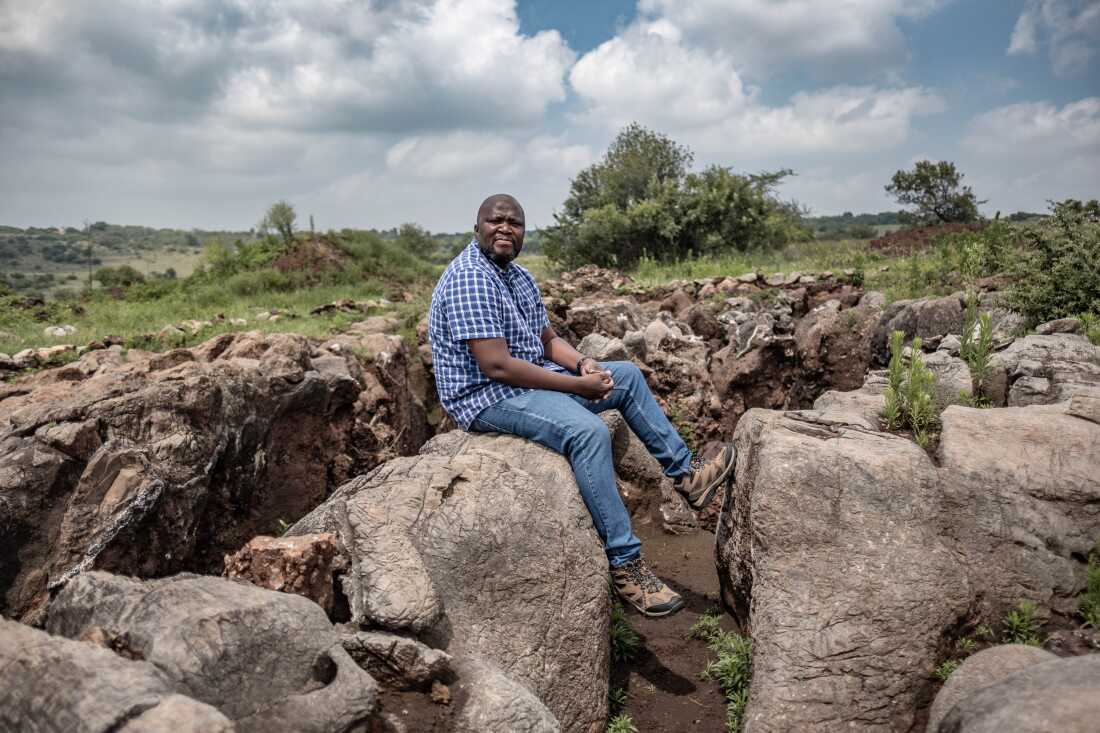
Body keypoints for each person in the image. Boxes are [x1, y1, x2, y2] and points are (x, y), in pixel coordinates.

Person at [427, 193, 735, 617]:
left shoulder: (517, 277)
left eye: (514, 223)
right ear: (476, 226)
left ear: (523, 232)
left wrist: (584, 364)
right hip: (485, 397)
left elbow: (546, 341)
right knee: (586, 431)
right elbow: (496, 366)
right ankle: (627, 566)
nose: (505, 229)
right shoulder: (470, 278)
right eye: (495, 221)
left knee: (623, 375)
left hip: (525, 385)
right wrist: (577, 386)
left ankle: (688, 476)